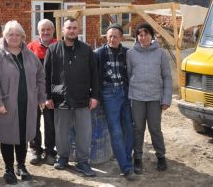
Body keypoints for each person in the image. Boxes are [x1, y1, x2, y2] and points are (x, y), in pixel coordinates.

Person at [0, 21, 46, 185]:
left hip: (27, 105)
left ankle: (21, 166)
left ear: (22, 37)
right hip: (6, 105)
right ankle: (9, 169)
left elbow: (41, 77)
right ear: (5, 36)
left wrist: (41, 98)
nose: (14, 37)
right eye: (10, 34)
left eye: (17, 34)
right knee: (7, 137)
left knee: (23, 136)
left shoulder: (30, 56)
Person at [44, 17, 99, 177]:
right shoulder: (53, 50)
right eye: (69, 28)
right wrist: (48, 97)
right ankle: (62, 157)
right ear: (63, 30)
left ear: (78, 30)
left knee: (84, 132)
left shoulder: (86, 49)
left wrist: (94, 96)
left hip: (82, 98)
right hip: (60, 99)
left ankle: (82, 161)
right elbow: (45, 76)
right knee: (61, 131)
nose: (72, 30)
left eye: (75, 28)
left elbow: (94, 74)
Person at [127, 22, 172, 174]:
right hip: (137, 97)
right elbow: (128, 76)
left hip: (155, 98)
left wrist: (166, 99)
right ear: (137, 37)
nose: (143, 37)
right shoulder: (131, 54)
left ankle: (161, 156)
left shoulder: (161, 54)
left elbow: (167, 77)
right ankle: (137, 159)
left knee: (155, 129)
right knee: (138, 129)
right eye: (140, 34)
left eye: (146, 34)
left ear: (152, 36)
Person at [94, 23, 135, 181]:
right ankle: (125, 167)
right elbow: (92, 75)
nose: (111, 39)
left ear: (121, 38)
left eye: (115, 36)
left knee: (129, 128)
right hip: (109, 94)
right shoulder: (98, 53)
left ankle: (126, 158)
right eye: (109, 36)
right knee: (116, 131)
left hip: (126, 93)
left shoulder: (127, 53)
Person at [27, 19, 57, 165]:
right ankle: (35, 150)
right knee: (33, 122)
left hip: (52, 93)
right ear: (38, 31)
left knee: (51, 123)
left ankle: (50, 151)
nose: (45, 32)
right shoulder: (30, 47)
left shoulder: (59, 46)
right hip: (34, 93)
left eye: (48, 29)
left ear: (53, 30)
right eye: (42, 30)